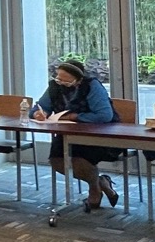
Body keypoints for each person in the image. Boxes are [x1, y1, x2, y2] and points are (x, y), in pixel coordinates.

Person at [31, 59, 122, 210]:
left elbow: (104, 115)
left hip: (97, 133)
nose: (61, 83)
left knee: (80, 160)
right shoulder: (54, 86)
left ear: (78, 80)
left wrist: (75, 117)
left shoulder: (92, 86)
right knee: (57, 161)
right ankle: (100, 182)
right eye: (59, 79)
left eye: (66, 82)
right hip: (66, 132)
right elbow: (39, 108)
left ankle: (94, 189)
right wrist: (39, 114)